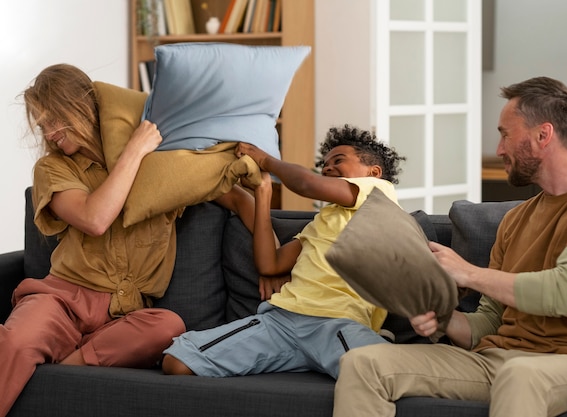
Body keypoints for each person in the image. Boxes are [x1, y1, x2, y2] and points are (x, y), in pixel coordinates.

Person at [333, 76, 567, 417]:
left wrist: (469, 273)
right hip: (496, 361)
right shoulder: (516, 220)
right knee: (363, 362)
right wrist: (442, 319)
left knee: (520, 376)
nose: (499, 149)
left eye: (505, 134)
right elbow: (487, 325)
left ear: (543, 135)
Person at [0, 63, 260, 417]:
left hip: (124, 320)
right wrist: (135, 150)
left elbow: (238, 198)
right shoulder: (53, 169)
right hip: (62, 299)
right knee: (15, 341)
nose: (48, 133)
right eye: (41, 124)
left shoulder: (163, 171)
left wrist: (269, 261)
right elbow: (95, 218)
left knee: (169, 325)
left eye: (51, 119)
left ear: (78, 107)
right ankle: (56, 370)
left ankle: (61, 373)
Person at [161, 124, 406, 379]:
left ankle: (371, 347)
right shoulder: (319, 225)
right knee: (177, 361)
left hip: (338, 324)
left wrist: (265, 159)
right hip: (281, 323)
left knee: (385, 377)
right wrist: (263, 192)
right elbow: (271, 264)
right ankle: (305, 358)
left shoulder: (378, 195)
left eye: (339, 160)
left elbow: (307, 184)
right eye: (326, 163)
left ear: (373, 172)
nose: (328, 167)